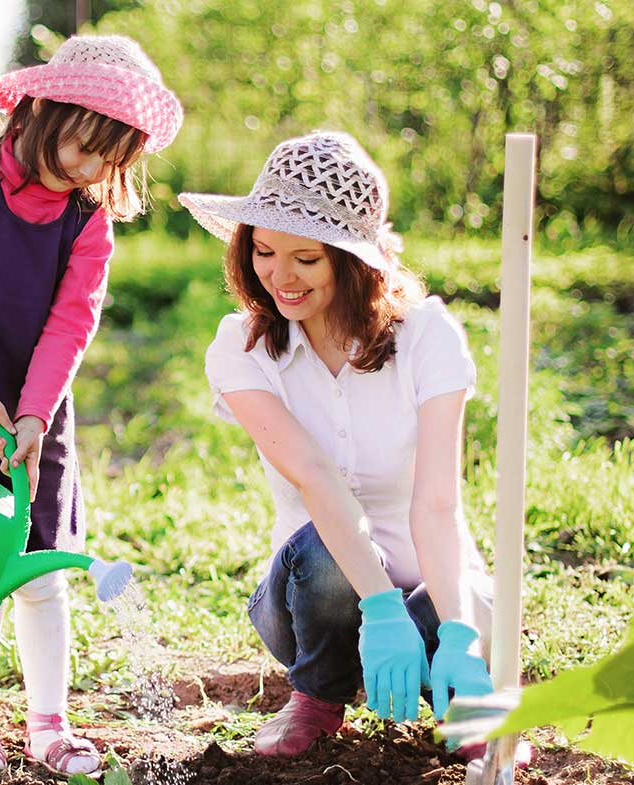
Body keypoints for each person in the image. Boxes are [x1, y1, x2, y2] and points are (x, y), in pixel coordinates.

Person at [0, 34, 182, 777]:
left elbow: (71, 321)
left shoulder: (88, 219)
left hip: (36, 416)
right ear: (44, 110)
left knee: (43, 571)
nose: (88, 170)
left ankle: (51, 725)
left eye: (107, 161)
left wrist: (32, 413)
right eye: (84, 147)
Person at [185, 132, 527, 763]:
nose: (279, 277)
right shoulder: (241, 348)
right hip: (315, 599)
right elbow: (316, 477)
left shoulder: (426, 337)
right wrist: (379, 607)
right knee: (322, 551)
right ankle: (316, 696)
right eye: (263, 251)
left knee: (456, 631)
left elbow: (437, 505)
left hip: (430, 583)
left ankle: (465, 695)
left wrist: (453, 629)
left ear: (352, 261)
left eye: (306, 260)